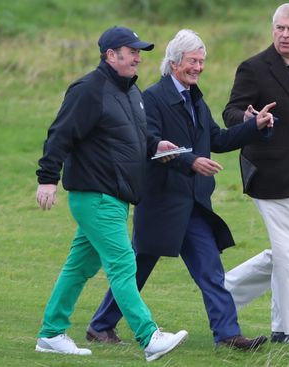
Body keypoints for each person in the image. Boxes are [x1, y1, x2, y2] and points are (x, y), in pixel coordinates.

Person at [87, 29, 276, 351]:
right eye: (193, 61)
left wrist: (253, 127)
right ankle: (101, 325)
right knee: (137, 268)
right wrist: (190, 162)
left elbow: (216, 139)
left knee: (211, 271)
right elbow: (150, 145)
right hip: (161, 202)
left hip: (193, 204)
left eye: (201, 61)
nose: (198, 67)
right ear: (174, 62)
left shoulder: (195, 98)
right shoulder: (152, 98)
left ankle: (228, 335)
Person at [34, 26, 188, 362]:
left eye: (139, 52)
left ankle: (50, 333)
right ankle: (150, 337)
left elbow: (131, 138)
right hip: (95, 195)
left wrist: (155, 145)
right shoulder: (89, 90)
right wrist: (47, 179)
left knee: (79, 268)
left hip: (116, 197)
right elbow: (60, 134)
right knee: (123, 263)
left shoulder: (131, 92)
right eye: (130, 51)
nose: (137, 57)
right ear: (110, 55)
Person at [222, 3, 289, 346]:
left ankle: (223, 293)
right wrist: (249, 119)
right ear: (273, 30)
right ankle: (287, 330)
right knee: (288, 254)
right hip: (269, 172)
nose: (284, 34)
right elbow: (231, 111)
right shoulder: (255, 68)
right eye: (279, 28)